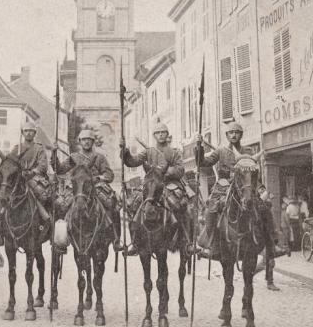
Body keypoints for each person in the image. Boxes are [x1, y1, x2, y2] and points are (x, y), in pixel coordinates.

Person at [194, 122, 276, 260]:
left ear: (241, 135)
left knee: (264, 207)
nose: (234, 135)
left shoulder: (249, 151)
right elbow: (203, 162)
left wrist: (260, 188)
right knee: (210, 210)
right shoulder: (220, 151)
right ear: (227, 135)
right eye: (231, 132)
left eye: (237, 132)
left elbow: (254, 173)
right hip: (223, 185)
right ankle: (213, 245)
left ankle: (272, 243)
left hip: (245, 184)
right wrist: (199, 147)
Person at [120, 121, 190, 254]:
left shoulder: (174, 152)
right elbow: (132, 162)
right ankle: (135, 242)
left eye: (163, 132)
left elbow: (180, 170)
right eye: (158, 133)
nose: (161, 135)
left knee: (178, 206)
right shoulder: (149, 152)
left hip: (169, 184)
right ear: (154, 135)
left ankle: (185, 240)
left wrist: (165, 171)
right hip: (150, 184)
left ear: (167, 134)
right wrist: (125, 152)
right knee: (133, 205)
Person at [53, 128, 122, 251]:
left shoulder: (99, 158)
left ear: (93, 142)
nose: (86, 142)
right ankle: (61, 238)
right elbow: (60, 169)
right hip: (77, 187)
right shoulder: (74, 157)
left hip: (95, 187)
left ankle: (116, 239)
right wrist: (54, 156)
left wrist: (98, 177)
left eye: (89, 140)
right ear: (80, 141)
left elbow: (109, 175)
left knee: (112, 205)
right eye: (84, 140)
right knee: (61, 205)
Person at [10, 120, 52, 207]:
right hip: (19, 177)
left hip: (35, 178)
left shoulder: (39, 148)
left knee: (42, 195)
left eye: (31, 131)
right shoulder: (17, 148)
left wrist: (32, 172)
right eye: (26, 131)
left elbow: (43, 166)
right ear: (22, 133)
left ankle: (44, 217)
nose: (28, 133)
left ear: (34, 133)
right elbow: (10, 164)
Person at [257, 184, 280, 290]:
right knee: (267, 260)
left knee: (270, 260)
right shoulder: (257, 202)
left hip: (268, 233)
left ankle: (269, 281)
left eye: (263, 189)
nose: (262, 190)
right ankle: (268, 281)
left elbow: (268, 208)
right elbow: (259, 209)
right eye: (260, 189)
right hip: (260, 232)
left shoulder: (266, 203)